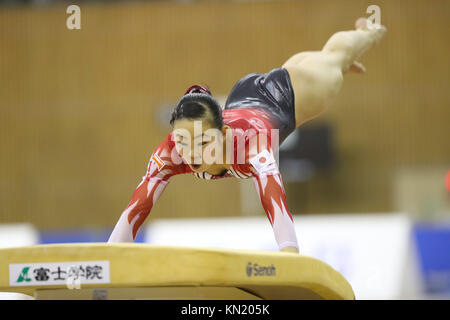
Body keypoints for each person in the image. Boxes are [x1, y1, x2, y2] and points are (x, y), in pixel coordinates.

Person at [108, 18, 386, 253]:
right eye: (182, 141)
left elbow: (274, 197)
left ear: (225, 134)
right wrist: (109, 257)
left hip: (289, 97)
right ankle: (333, 62)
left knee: (334, 57)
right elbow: (137, 208)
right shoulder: (172, 151)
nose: (190, 153)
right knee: (310, 63)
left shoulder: (250, 146)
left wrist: (290, 254)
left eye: (203, 143)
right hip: (247, 98)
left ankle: (369, 32)